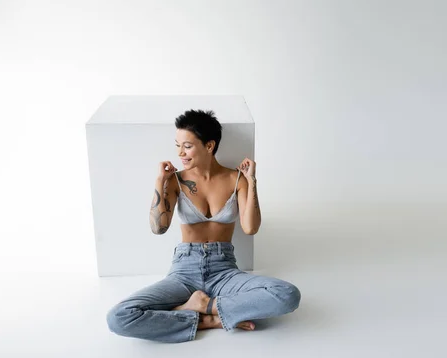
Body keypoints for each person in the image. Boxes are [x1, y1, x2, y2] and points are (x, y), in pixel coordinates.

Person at [106, 109, 301, 343]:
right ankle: (209, 320)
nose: (180, 153)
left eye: (187, 146)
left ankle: (202, 306)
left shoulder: (236, 179)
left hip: (224, 270)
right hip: (184, 272)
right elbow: (158, 228)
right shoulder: (176, 180)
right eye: (178, 145)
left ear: (209, 146)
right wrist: (160, 182)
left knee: (288, 294)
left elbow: (250, 228)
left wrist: (252, 181)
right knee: (118, 317)